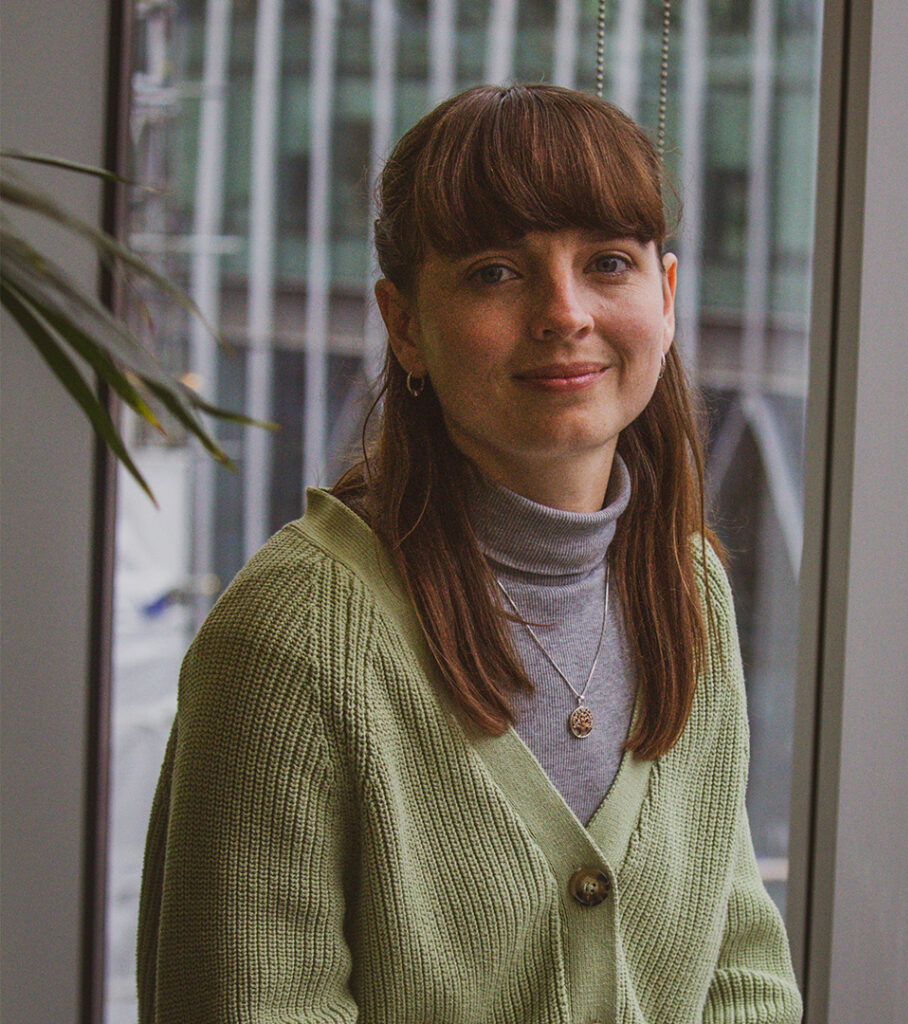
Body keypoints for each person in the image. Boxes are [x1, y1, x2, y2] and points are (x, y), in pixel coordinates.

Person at [137, 83, 802, 1023]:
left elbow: (740, 970)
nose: (564, 311)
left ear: (665, 293)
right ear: (404, 323)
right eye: (496, 272)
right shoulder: (292, 640)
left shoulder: (686, 591)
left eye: (607, 262)